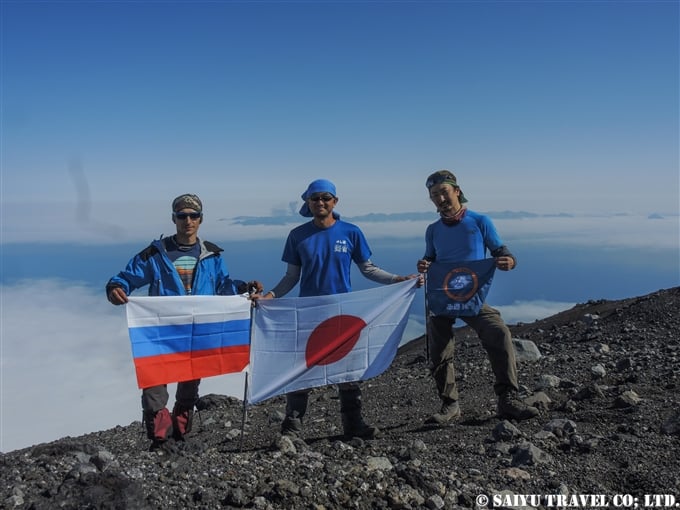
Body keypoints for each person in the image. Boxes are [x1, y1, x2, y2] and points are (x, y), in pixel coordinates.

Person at [252, 179, 421, 440]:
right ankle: (292, 429)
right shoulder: (298, 236)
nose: (320, 202)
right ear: (307, 203)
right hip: (309, 313)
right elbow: (291, 277)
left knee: (347, 370)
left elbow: (368, 268)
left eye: (325, 198)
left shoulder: (351, 232)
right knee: (302, 368)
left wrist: (398, 280)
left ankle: (353, 425)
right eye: (315, 198)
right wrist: (270, 297)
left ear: (335, 201)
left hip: (342, 313)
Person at [106, 193, 262, 449]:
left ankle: (181, 432)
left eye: (193, 216)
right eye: (182, 216)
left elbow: (222, 285)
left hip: (196, 329)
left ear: (200, 219)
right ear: (173, 219)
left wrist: (243, 288)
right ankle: (160, 440)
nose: (188, 220)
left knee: (189, 382)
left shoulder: (212, 254)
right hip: (161, 329)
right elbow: (126, 278)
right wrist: (115, 288)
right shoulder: (155, 254)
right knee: (154, 381)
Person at [417, 170, 539, 424]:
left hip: (471, 295)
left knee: (498, 331)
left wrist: (510, 261)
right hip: (443, 295)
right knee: (438, 349)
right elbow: (431, 257)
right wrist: (425, 264)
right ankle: (450, 405)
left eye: (444, 192)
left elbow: (500, 250)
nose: (440, 199)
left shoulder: (480, 221)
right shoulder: (432, 230)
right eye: (434, 195)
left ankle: (508, 398)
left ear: (457, 191)